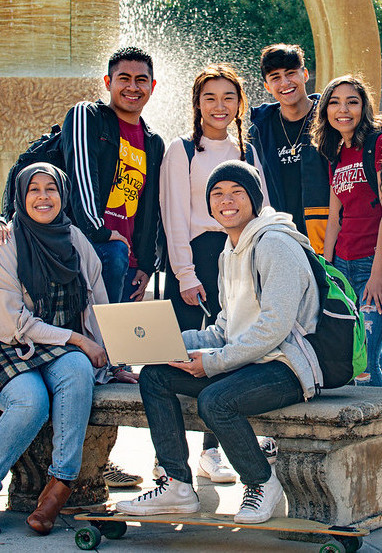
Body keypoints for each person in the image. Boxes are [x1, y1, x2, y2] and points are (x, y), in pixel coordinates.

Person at [116, 160, 322, 524]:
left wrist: (212, 362)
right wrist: (166, 343)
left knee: (217, 401)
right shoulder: (231, 250)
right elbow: (225, 329)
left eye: (236, 192)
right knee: (155, 375)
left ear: (254, 199)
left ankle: (262, 483)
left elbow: (274, 328)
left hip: (288, 367)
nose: (226, 200)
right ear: (210, 206)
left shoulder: (275, 244)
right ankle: (177, 485)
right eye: (217, 194)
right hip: (250, 363)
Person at [159, 63, 269, 483]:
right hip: (196, 257)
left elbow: (262, 207)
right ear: (197, 104)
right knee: (182, 357)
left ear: (240, 104)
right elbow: (174, 216)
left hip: (238, 254)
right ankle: (168, 461)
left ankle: (211, 451)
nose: (219, 106)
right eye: (210, 98)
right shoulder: (182, 149)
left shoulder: (247, 150)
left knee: (230, 353)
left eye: (228, 97)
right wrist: (185, 273)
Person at [0, 163, 110, 535]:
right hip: (14, 347)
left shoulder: (74, 238)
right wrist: (79, 340)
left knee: (79, 371)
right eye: (34, 190)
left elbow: (96, 303)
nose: (43, 197)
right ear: (20, 196)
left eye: (51, 189)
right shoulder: (7, 240)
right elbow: (12, 321)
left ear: (63, 195)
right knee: (31, 402)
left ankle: (59, 486)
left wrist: (110, 356)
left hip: (62, 352)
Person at [61, 46, 165, 305]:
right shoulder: (87, 116)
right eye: (124, 79)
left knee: (121, 344)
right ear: (108, 82)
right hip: (92, 249)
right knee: (96, 339)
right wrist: (99, 231)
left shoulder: (153, 142)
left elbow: (149, 209)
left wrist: (146, 264)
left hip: (129, 264)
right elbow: (81, 175)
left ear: (151, 86)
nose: (133, 87)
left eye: (141, 80)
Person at [311, 75, 382, 386]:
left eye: (352, 102)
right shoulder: (337, 153)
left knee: (369, 362)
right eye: (335, 102)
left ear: (363, 107)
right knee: (354, 358)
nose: (343, 109)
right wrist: (327, 270)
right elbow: (335, 216)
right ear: (326, 110)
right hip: (343, 264)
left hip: (372, 264)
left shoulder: (376, 144)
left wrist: (377, 275)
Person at [248, 43, 330, 254]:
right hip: (282, 242)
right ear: (267, 86)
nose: (285, 83)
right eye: (275, 77)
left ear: (304, 75)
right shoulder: (259, 131)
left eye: (291, 73)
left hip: (328, 240)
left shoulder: (329, 121)